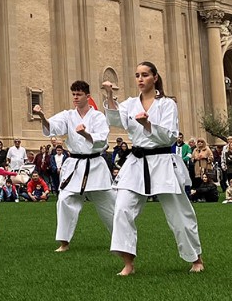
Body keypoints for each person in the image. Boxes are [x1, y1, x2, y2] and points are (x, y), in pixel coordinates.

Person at [103, 61, 203, 276]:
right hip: (137, 162)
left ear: (155, 78)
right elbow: (115, 121)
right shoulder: (130, 104)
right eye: (137, 75)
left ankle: (195, 257)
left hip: (163, 161)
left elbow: (170, 135)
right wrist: (110, 96)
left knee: (178, 213)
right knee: (122, 209)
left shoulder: (167, 104)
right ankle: (128, 262)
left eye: (145, 75)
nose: (140, 79)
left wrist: (148, 125)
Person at [33, 81, 116, 252]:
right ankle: (64, 241)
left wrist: (84, 133)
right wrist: (42, 117)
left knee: (109, 203)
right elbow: (53, 127)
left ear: (88, 96)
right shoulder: (68, 115)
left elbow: (102, 139)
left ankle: (120, 237)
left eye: (79, 94)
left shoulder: (98, 117)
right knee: (64, 200)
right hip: (76, 165)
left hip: (95, 164)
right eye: (73, 94)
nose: (75, 97)